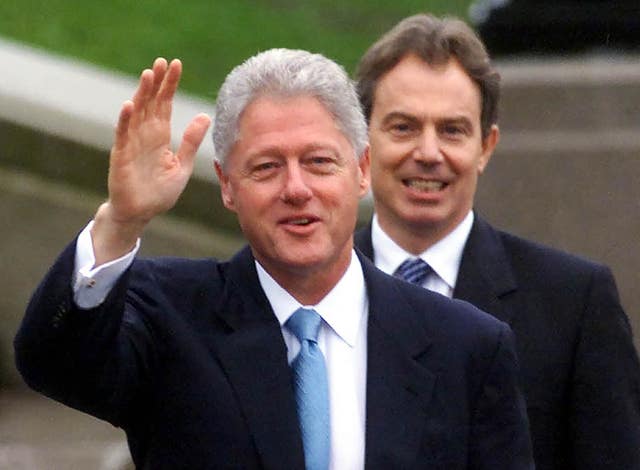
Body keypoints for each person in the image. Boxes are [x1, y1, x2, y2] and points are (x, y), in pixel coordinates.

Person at [14, 48, 533, 469]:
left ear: (361, 170)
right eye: (265, 168)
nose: (296, 189)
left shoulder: (467, 346)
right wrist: (121, 221)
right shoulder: (168, 314)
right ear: (227, 185)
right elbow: (52, 364)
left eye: (318, 162)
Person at [353, 13, 640, 470]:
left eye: (452, 130)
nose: (429, 153)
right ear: (362, 143)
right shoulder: (309, 287)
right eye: (404, 127)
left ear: (485, 147)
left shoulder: (574, 304)